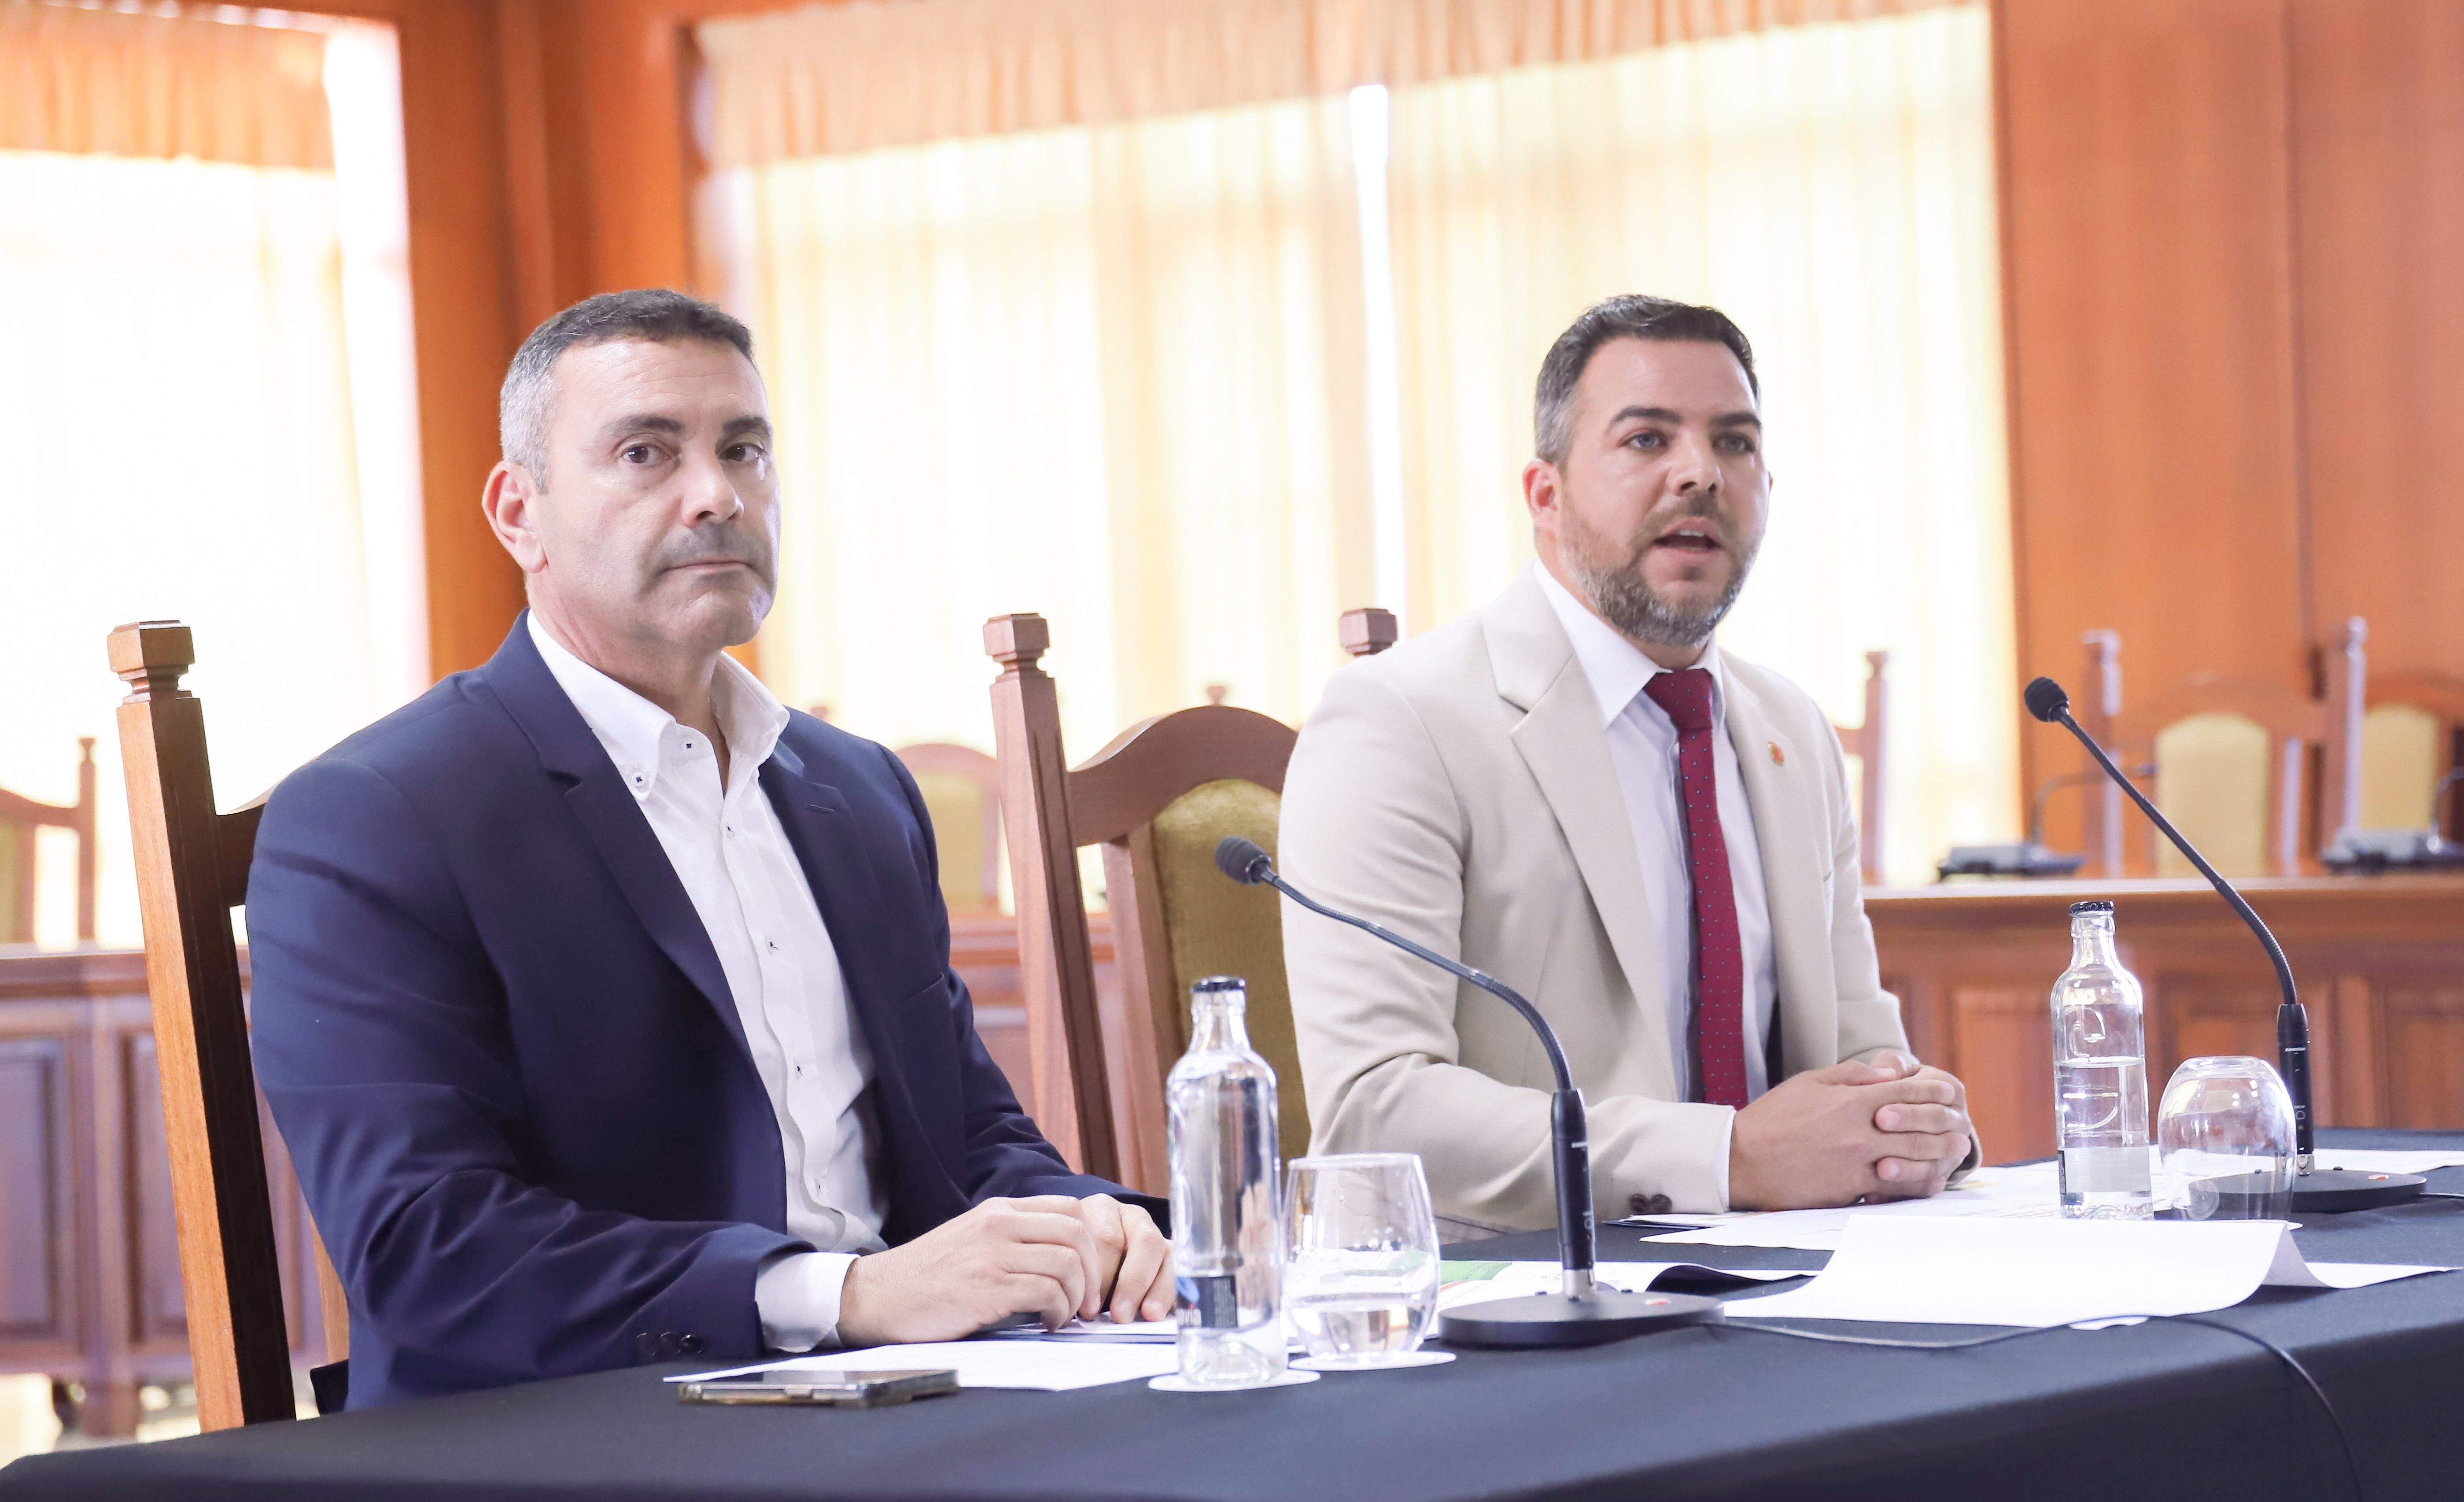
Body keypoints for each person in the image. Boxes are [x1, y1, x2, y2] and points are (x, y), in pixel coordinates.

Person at [247, 289, 1170, 1409]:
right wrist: (847, 1295)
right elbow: (427, 1247)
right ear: (517, 513)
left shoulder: (858, 790)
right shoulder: (375, 814)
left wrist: (1093, 1231)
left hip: (910, 1400)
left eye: (744, 449)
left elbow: (966, 1140)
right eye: (646, 452)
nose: (717, 495)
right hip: (573, 1435)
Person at [1279, 294, 1977, 1235]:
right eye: (1647, 440)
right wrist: (1725, 1159)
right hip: (1518, 1307)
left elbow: (1861, 1046)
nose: (1699, 474)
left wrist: (1918, 1123)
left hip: (1802, 1284)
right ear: (1545, 493)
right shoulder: (1399, 720)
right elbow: (1375, 1109)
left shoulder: (1789, 730)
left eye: (1733, 443)